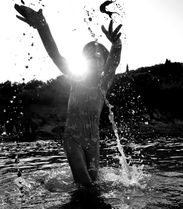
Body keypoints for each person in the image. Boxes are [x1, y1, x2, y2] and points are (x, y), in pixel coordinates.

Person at [15, 4, 122, 187]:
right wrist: (42, 26)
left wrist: (116, 44)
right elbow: (54, 54)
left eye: (99, 57)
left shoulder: (103, 84)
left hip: (94, 141)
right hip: (73, 138)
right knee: (85, 184)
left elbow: (114, 62)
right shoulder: (76, 78)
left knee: (94, 185)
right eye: (90, 56)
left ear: (104, 63)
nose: (94, 60)